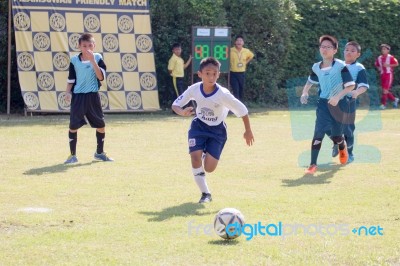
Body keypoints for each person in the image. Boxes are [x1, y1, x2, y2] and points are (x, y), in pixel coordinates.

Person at [172, 57, 254, 203]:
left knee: (209, 168)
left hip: (218, 131)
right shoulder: (195, 89)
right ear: (200, 74)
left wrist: (248, 131)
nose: (211, 77)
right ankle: (205, 194)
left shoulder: (223, 94)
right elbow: (176, 105)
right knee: (194, 156)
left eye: (214, 74)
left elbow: (243, 110)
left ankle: (205, 154)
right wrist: (182, 112)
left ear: (218, 74)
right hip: (198, 126)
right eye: (207, 73)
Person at [300, 35, 355, 175]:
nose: (324, 49)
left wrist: (337, 97)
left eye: (328, 47)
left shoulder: (340, 66)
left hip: (339, 104)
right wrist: (304, 92)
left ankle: (341, 144)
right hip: (323, 104)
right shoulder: (316, 67)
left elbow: (350, 86)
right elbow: (310, 81)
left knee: (336, 135)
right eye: (322, 46)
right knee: (318, 132)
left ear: (335, 50)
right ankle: (312, 164)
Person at [64, 33, 113, 164]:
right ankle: (72, 155)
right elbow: (71, 79)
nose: (87, 48)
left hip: (93, 96)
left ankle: (99, 153)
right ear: (79, 46)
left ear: (94, 46)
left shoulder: (98, 58)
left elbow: (101, 77)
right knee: (73, 126)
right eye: (84, 46)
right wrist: (67, 92)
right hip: (78, 97)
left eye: (90, 45)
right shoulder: (74, 61)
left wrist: (92, 61)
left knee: (101, 125)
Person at [330, 41, 369, 164]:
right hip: (335, 101)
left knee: (348, 129)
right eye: (347, 50)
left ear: (358, 54)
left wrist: (357, 92)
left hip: (349, 102)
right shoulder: (336, 65)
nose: (349, 52)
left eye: (352, 51)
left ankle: (350, 154)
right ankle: (337, 143)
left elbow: (364, 85)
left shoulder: (359, 68)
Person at [229, 35, 254, 101]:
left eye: (241, 41)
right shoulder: (231, 50)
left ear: (243, 43)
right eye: (237, 40)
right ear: (235, 42)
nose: (239, 42)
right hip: (233, 73)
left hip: (242, 73)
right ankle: (236, 106)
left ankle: (241, 105)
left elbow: (251, 56)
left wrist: (245, 62)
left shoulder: (246, 51)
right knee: (235, 90)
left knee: (241, 89)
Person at [374, 44, 399, 109]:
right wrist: (378, 68)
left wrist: (388, 65)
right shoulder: (379, 57)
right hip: (382, 75)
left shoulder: (391, 57)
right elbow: (376, 64)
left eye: (385, 49)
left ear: (388, 50)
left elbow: (396, 64)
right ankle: (395, 99)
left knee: (385, 90)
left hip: (388, 75)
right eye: (382, 49)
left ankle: (383, 105)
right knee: (385, 90)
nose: (383, 50)